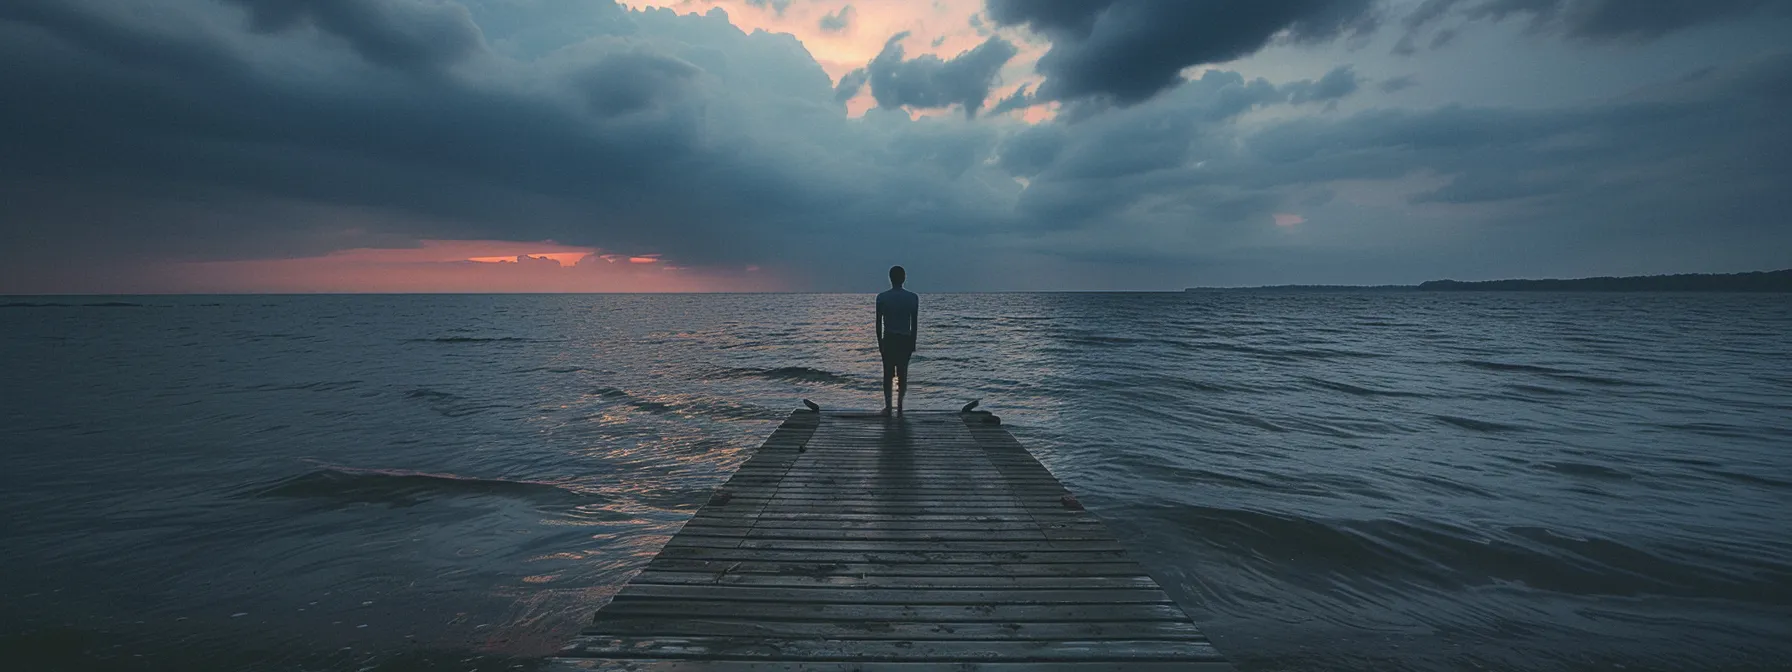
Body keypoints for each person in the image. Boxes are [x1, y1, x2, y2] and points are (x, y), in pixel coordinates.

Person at [875, 265, 918, 416]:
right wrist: (913, 342)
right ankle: (899, 406)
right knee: (902, 373)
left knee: (888, 374)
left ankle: (888, 406)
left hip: (889, 339)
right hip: (905, 339)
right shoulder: (913, 298)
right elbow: (914, 324)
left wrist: (880, 343)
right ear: (904, 278)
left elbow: (878, 324)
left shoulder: (882, 297)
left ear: (890, 278)